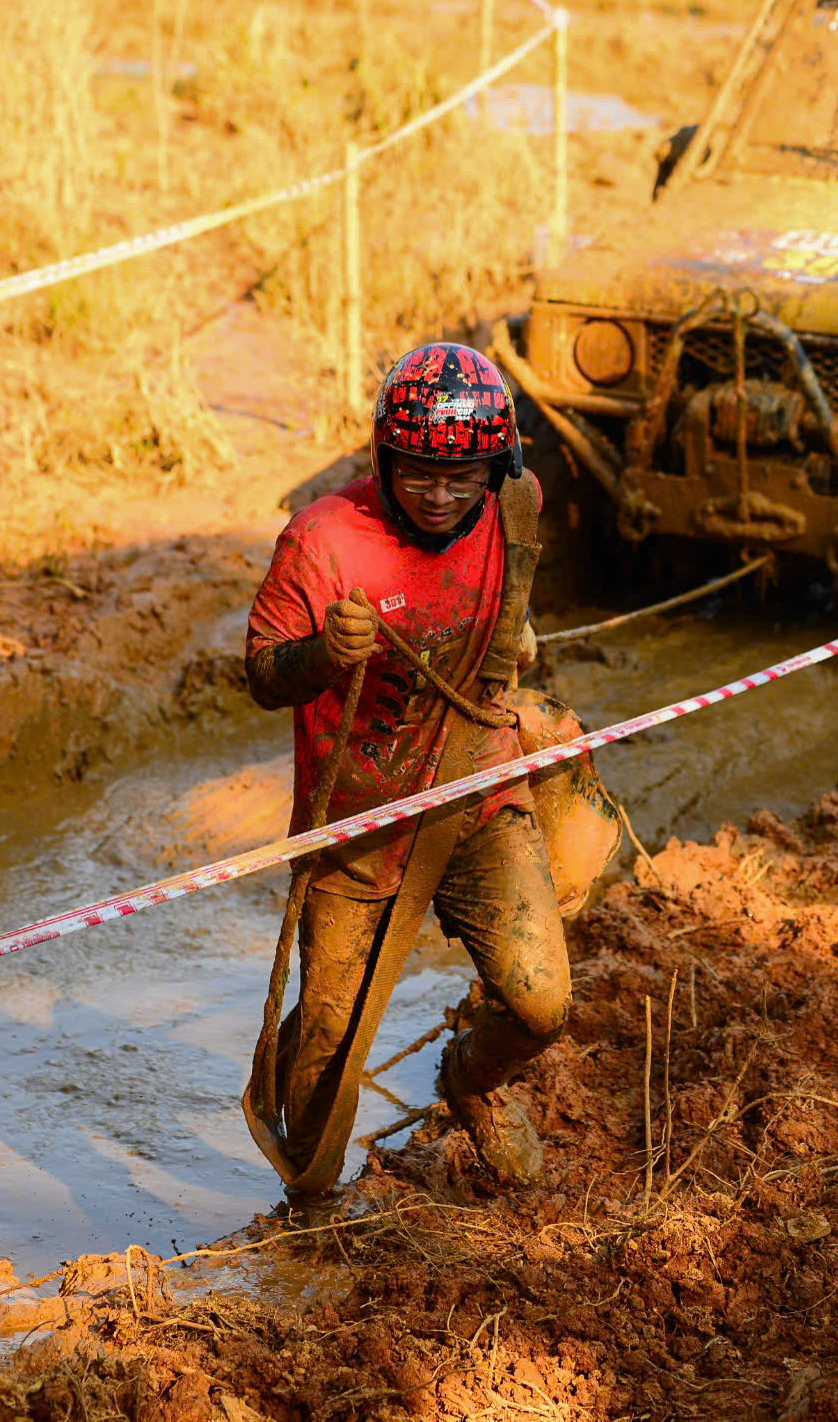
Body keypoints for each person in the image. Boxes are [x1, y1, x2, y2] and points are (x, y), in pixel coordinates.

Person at [243, 342, 566, 1195]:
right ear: (384, 458)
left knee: (542, 1003)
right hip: (357, 818)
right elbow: (261, 674)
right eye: (419, 473)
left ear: (498, 468)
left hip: (477, 789)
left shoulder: (517, 510)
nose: (440, 495)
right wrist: (319, 654)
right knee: (324, 1053)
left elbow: (510, 609)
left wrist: (513, 641)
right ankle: (306, 1207)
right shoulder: (321, 540)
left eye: (463, 477)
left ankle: (470, 1081)